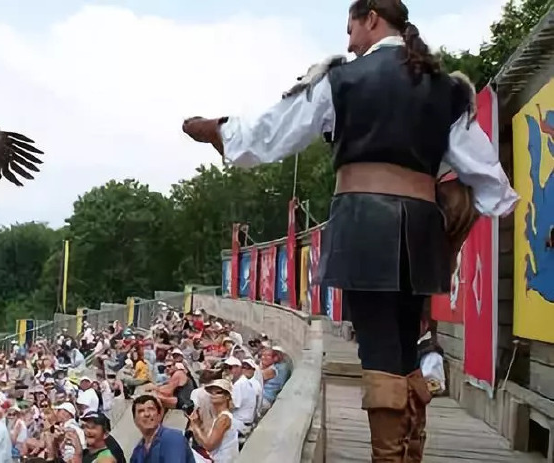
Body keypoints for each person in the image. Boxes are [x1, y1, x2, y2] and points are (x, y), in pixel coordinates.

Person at [181, 1, 517, 461]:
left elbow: (273, 132)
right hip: (421, 229)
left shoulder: (341, 79)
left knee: (378, 347)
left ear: (372, 18)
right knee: (404, 347)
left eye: (351, 27)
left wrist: (220, 131)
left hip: (365, 224)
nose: (348, 41)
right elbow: (488, 178)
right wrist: (454, 221)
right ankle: (408, 453)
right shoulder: (448, 89)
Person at [129, 395, 194, 463]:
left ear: (159, 415)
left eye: (151, 409)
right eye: (141, 411)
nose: (147, 414)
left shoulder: (172, 437)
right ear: (135, 420)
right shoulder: (137, 452)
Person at [186, 380, 239, 463]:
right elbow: (203, 442)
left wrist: (195, 425)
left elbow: (209, 445)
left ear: (227, 396)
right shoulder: (218, 416)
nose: (213, 395)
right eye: (211, 392)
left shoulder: (224, 418)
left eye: (218, 392)